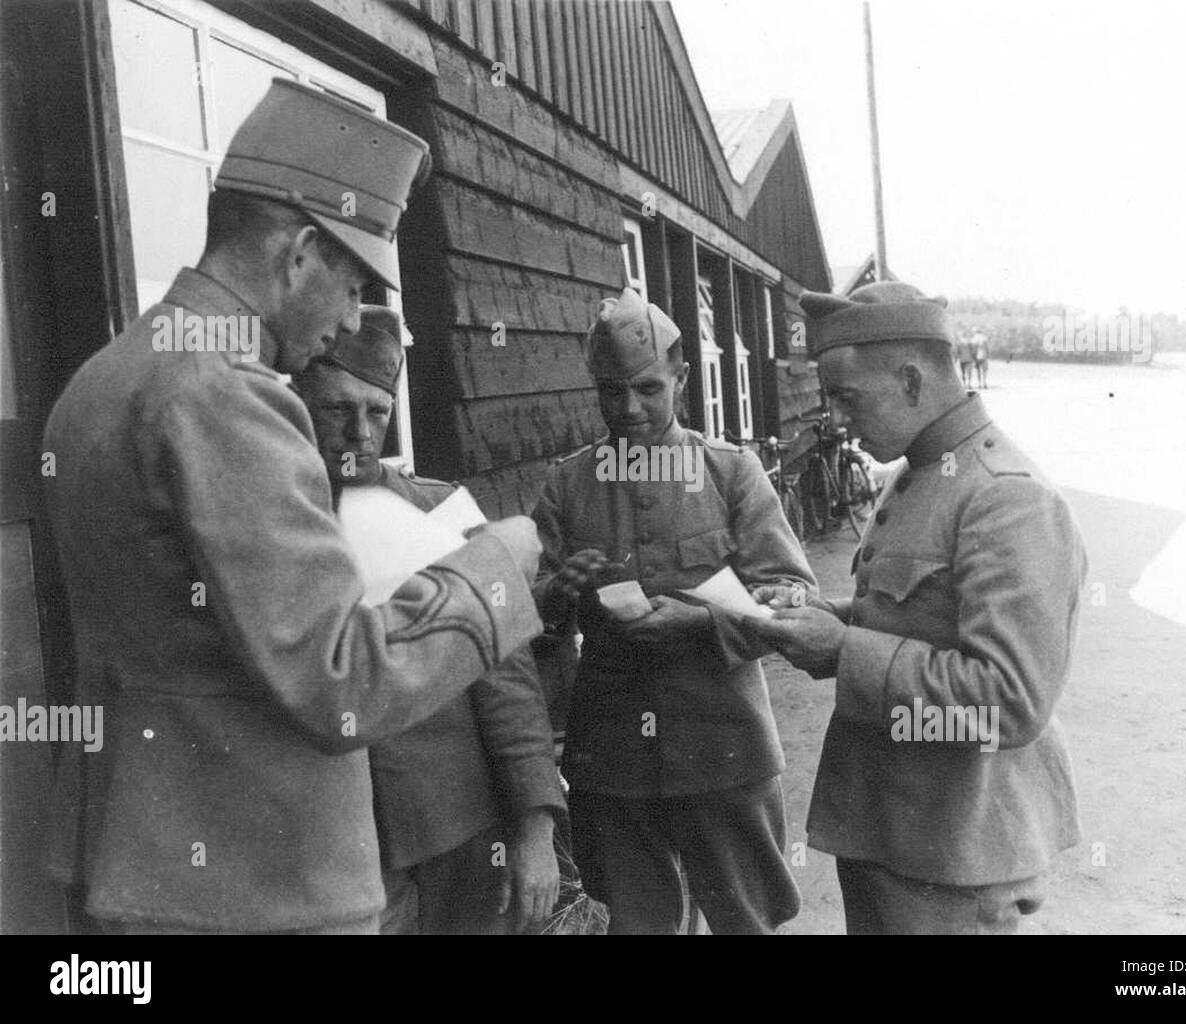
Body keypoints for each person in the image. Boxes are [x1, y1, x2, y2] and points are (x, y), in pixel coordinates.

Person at [40, 79, 543, 935]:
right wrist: (497, 568)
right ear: (300, 252)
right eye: (352, 286)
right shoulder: (230, 397)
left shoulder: (102, 379)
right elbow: (340, 680)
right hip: (260, 887)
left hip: (148, 867)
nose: (352, 322)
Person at [744, 281, 1086, 935]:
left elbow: (1007, 699)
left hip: (957, 857)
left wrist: (841, 650)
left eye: (847, 399)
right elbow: (919, 616)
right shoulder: (924, 468)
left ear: (909, 380)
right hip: (892, 835)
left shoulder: (1007, 498)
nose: (838, 420)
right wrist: (826, 616)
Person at [530, 288, 816, 934]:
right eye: (610, 392)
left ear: (682, 379)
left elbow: (794, 597)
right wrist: (555, 596)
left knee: (745, 918)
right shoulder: (568, 484)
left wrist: (705, 622)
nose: (629, 408)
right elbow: (529, 620)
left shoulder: (731, 473)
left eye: (648, 389)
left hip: (724, 746)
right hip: (614, 757)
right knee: (639, 925)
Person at [293, 306, 564, 934]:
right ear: (299, 402)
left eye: (378, 413)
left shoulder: (437, 514)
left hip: (459, 829)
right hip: (336, 846)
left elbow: (508, 684)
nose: (361, 432)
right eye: (338, 410)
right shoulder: (283, 528)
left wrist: (534, 829)